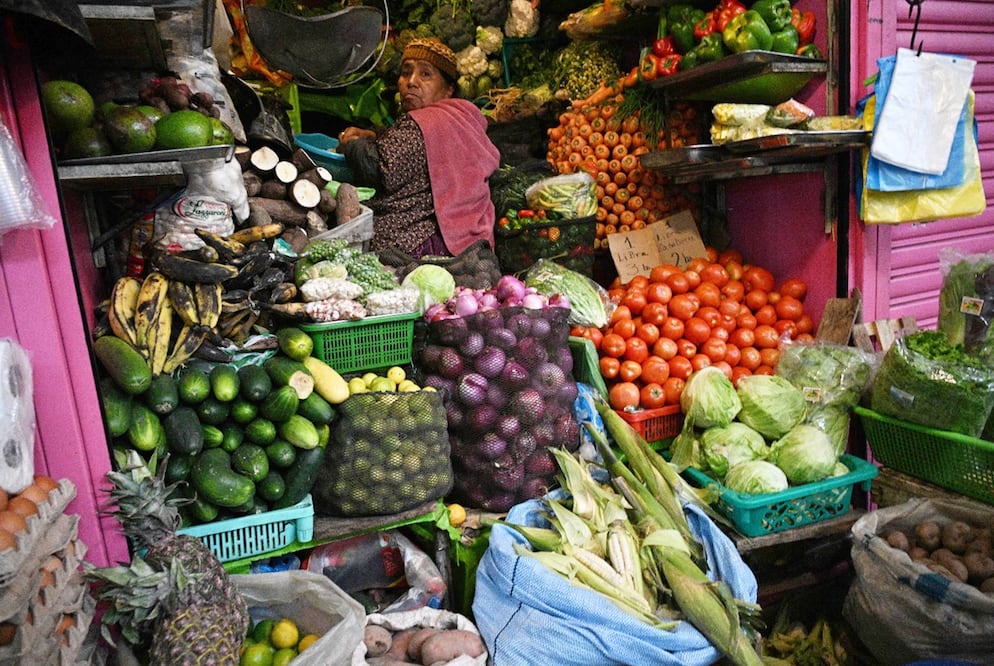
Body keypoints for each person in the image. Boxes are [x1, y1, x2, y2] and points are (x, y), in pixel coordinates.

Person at [337, 38, 500, 259]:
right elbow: (413, 150)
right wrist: (373, 134)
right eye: (406, 72)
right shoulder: (461, 117)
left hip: (416, 243)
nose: (411, 82)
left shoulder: (423, 121)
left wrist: (352, 145)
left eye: (426, 75)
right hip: (468, 242)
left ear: (448, 89)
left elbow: (378, 169)